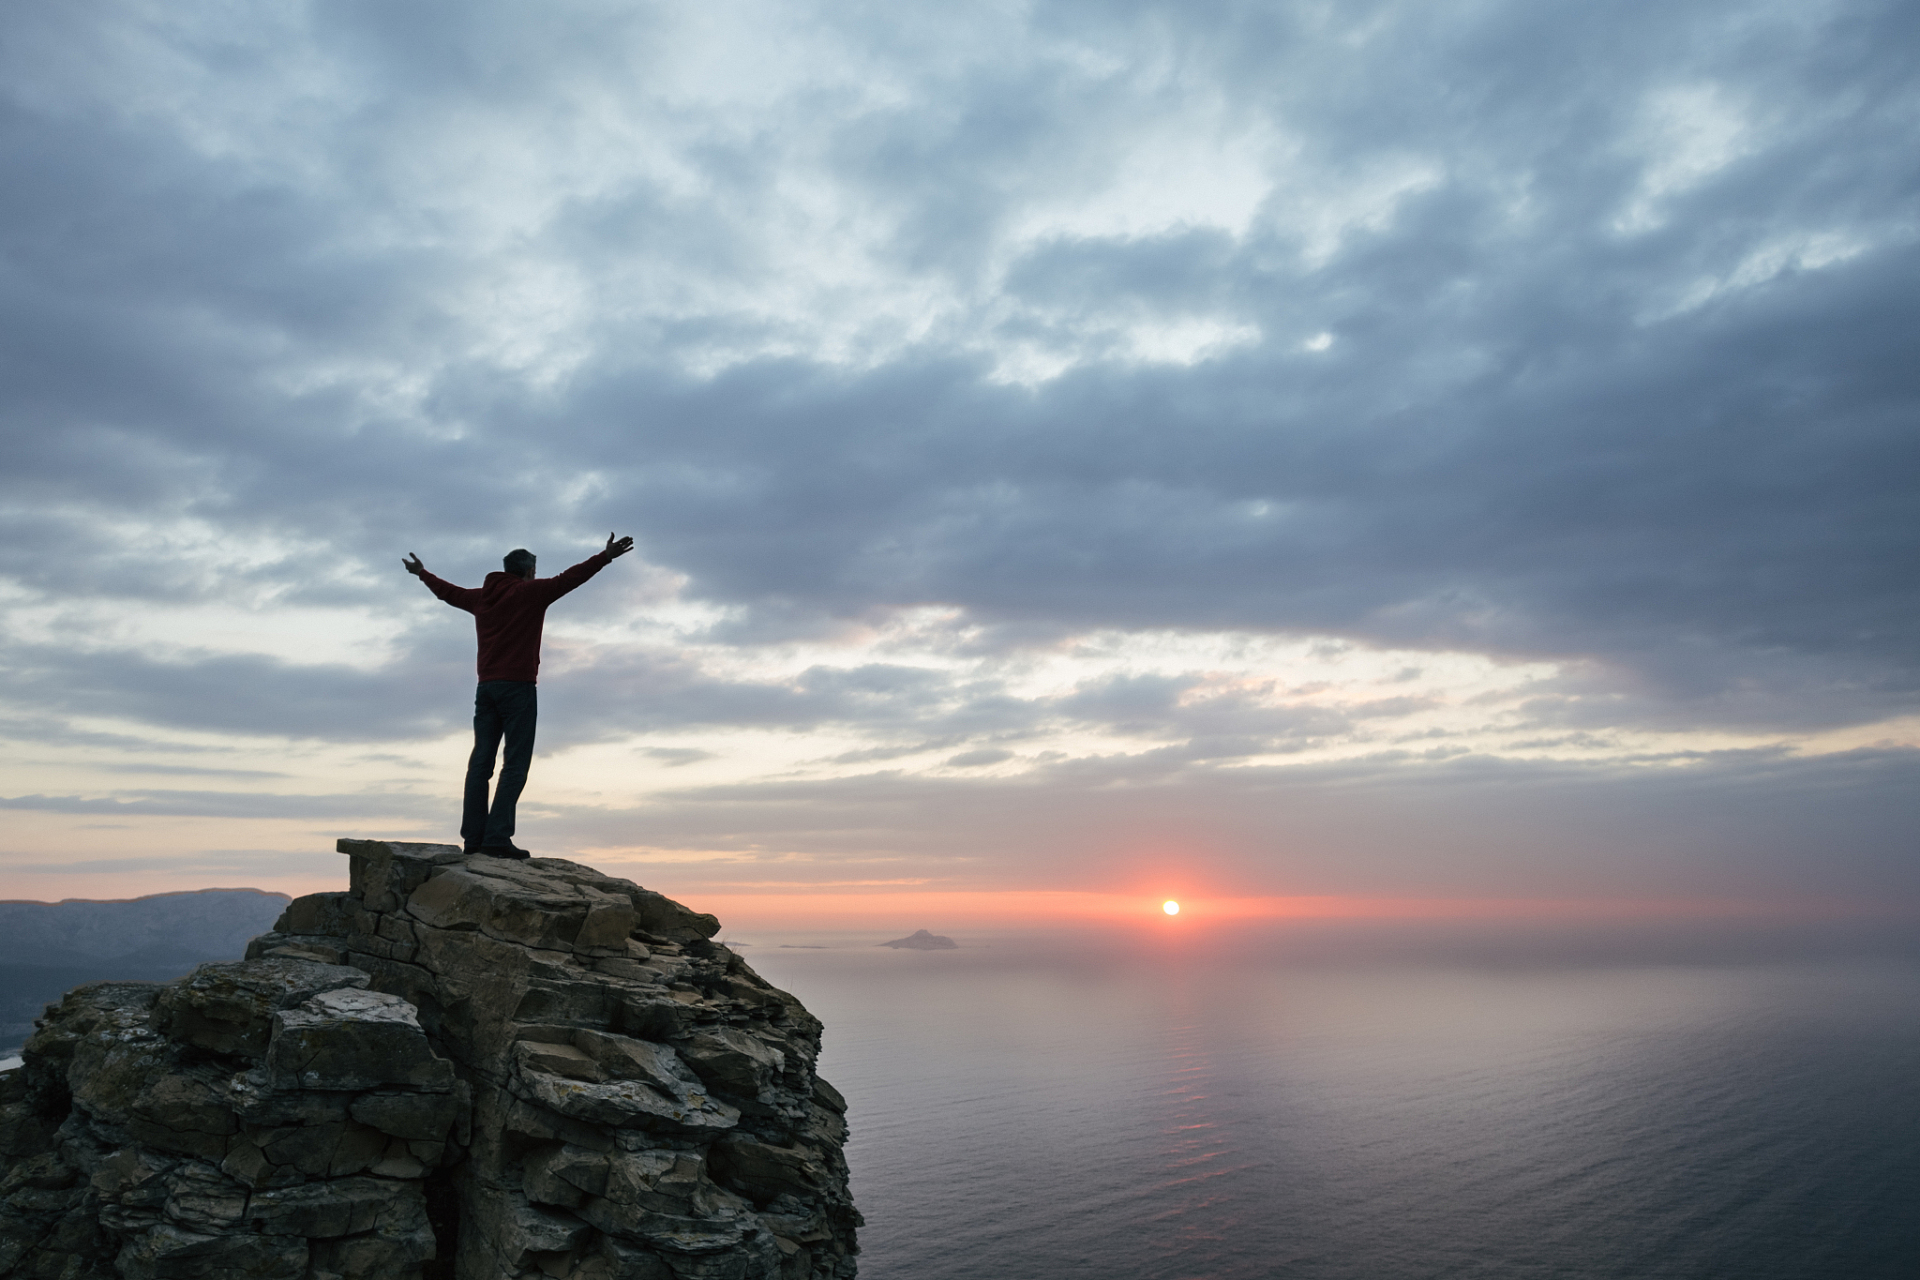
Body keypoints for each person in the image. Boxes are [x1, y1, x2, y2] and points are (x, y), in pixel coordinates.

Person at [404, 533, 635, 857]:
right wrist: (605, 556)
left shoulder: (482, 597)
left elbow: (448, 593)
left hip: (485, 690)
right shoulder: (530, 593)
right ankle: (497, 838)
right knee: (514, 764)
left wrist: (422, 574)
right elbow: (570, 579)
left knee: (480, 765)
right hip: (518, 688)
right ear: (529, 571)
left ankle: (474, 840)